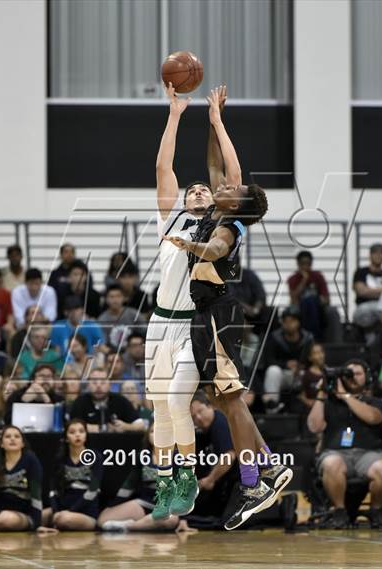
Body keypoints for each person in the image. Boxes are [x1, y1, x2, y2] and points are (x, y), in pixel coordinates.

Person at [166, 88, 292, 531]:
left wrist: (189, 243)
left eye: (233, 189)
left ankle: (254, 478)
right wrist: (213, 119)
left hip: (220, 313)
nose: (224, 184)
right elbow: (218, 164)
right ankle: (270, 467)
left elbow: (216, 249)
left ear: (238, 203)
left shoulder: (229, 223)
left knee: (231, 398)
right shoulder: (217, 207)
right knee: (222, 398)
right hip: (206, 315)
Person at [144, 83, 222, 524]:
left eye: (201, 190)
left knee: (177, 402)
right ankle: (164, 483)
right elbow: (162, 167)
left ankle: (187, 476)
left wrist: (215, 121)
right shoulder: (170, 216)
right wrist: (175, 115)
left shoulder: (219, 227)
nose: (195, 192)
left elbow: (224, 176)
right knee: (158, 406)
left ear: (212, 200)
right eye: (191, 190)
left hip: (193, 325)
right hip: (158, 321)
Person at [307, 359, 382, 529]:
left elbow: (373, 417)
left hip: (368, 454)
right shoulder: (329, 402)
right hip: (335, 452)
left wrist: (344, 396)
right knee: (332, 464)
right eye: (348, 373)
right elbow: (314, 426)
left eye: (358, 373)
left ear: (366, 377)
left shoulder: (374, 402)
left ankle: (376, 511)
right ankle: (339, 511)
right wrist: (322, 394)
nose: (353, 377)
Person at [98, 422, 188, 533]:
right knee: (103, 520)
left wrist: (183, 519)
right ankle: (145, 523)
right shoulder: (143, 456)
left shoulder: (177, 458)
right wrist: (113, 506)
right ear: (147, 436)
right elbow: (129, 485)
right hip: (143, 504)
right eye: (152, 431)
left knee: (171, 520)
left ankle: (129, 527)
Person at [0, 425, 45, 534]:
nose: (12, 439)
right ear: (1, 444)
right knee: (2, 519)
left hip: (23, 514)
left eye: (17, 436)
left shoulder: (31, 460)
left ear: (23, 443)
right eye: (8, 436)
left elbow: (36, 495)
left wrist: (37, 525)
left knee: (7, 519)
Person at [46, 419, 102, 530]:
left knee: (64, 519)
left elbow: (93, 491)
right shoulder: (60, 459)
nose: (77, 435)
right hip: (63, 508)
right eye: (72, 432)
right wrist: (56, 511)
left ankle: (58, 523)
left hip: (86, 512)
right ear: (66, 438)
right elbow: (53, 490)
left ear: (86, 435)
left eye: (81, 431)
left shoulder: (95, 457)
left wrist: (70, 511)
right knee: (39, 517)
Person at [190, 391, 237, 519]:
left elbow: (229, 456)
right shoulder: (203, 431)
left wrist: (210, 480)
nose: (198, 418)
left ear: (210, 406)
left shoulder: (220, 423)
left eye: (201, 411)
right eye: (193, 416)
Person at [262, 306, 314, 413]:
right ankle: (272, 407)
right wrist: (286, 364)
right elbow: (268, 361)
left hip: (301, 375)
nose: (289, 324)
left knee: (310, 373)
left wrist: (300, 366)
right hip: (282, 375)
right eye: (286, 321)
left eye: (292, 321)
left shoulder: (307, 338)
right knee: (273, 371)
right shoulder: (275, 337)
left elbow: (313, 360)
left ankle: (312, 408)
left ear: (298, 322)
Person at [287, 251, 341, 342]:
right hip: (300, 306)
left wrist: (319, 301)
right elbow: (293, 299)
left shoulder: (318, 276)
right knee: (302, 306)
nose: (305, 266)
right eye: (302, 264)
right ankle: (310, 338)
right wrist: (304, 280)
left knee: (332, 311)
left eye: (308, 264)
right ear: (298, 264)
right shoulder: (293, 278)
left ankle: (335, 343)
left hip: (317, 305)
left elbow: (326, 298)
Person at [70, 368, 144, 433]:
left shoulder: (120, 401)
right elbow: (72, 426)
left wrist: (126, 427)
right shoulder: (80, 402)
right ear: (88, 385)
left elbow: (141, 425)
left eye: (103, 382)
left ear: (110, 384)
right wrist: (101, 428)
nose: (98, 386)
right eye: (94, 382)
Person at [353, 243, 382, 330]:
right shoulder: (361, 272)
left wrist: (370, 291)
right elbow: (362, 292)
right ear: (370, 255)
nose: (379, 256)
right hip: (364, 309)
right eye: (376, 253)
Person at [98, 284, 147, 348]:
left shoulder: (134, 314)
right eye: (111, 297)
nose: (115, 300)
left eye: (118, 296)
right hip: (112, 353)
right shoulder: (102, 319)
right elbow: (102, 343)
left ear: (124, 298)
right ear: (106, 299)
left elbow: (145, 332)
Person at [298, 342, 326, 409]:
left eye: (321, 352)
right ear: (310, 357)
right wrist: (310, 402)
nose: (320, 355)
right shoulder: (306, 375)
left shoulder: (328, 372)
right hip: (311, 408)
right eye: (316, 353)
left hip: (326, 407)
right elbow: (301, 396)